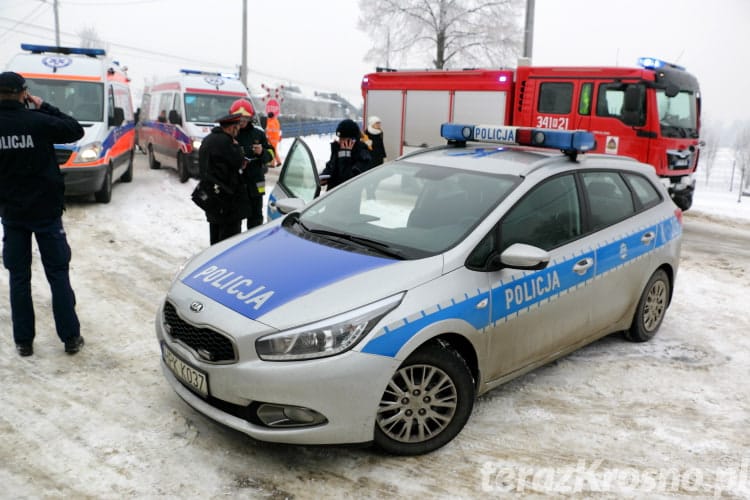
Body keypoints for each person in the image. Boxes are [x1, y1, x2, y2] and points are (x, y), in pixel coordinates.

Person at [0, 71, 86, 356]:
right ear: (23, 93)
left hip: (12, 213)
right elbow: (74, 129)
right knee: (58, 273)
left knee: (19, 277)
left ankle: (24, 342)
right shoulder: (38, 121)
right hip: (46, 212)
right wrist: (43, 106)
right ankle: (70, 338)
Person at [197, 112, 248, 245]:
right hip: (227, 202)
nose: (238, 130)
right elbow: (237, 162)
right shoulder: (227, 142)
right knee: (229, 243)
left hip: (211, 197)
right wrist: (237, 148)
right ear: (231, 128)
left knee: (215, 239)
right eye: (237, 127)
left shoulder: (208, 139)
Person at [229, 99, 275, 230]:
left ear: (250, 118)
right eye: (239, 118)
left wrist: (262, 152)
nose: (242, 121)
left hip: (255, 185)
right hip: (236, 185)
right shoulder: (230, 134)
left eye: (245, 118)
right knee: (234, 221)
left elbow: (271, 154)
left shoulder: (258, 134)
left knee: (255, 221)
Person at [321, 119, 372, 191]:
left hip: (349, 199)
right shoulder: (339, 148)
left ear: (354, 139)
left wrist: (345, 155)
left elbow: (349, 180)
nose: (340, 141)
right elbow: (331, 166)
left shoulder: (363, 155)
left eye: (344, 139)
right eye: (340, 138)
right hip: (332, 196)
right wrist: (324, 176)